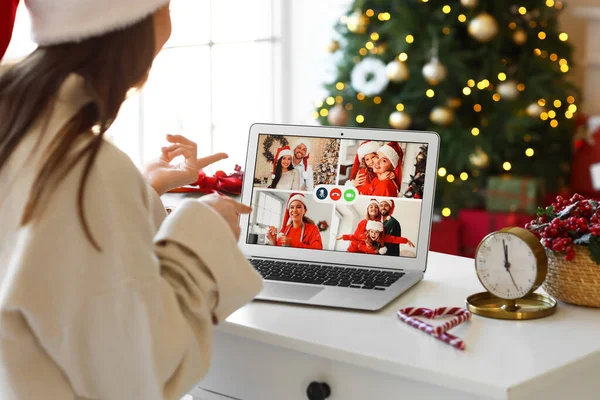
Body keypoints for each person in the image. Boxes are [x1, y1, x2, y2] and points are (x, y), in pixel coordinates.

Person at [0, 1, 263, 399]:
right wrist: (202, 233)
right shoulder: (80, 171)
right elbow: (137, 374)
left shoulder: (19, 123)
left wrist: (140, 191)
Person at [337, 220, 414, 255]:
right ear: (369, 232)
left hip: (374, 251)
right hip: (366, 249)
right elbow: (353, 237)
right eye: (372, 232)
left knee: (377, 252)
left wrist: (406, 241)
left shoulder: (384, 238)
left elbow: (394, 239)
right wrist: (343, 237)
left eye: (376, 232)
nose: (373, 234)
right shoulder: (365, 236)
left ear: (379, 233)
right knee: (361, 246)